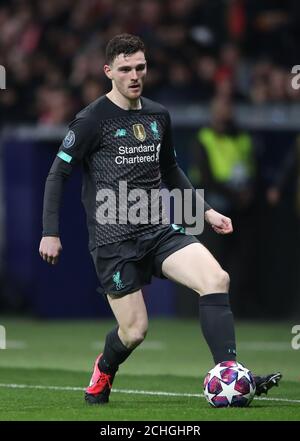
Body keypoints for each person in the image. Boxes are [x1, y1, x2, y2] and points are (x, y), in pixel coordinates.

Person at [39, 34, 281, 405]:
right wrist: (50, 232)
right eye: (125, 69)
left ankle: (229, 374)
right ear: (109, 72)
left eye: (140, 67)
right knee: (135, 331)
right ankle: (104, 367)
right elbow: (58, 174)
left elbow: (170, 169)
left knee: (216, 279)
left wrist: (206, 212)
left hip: (157, 230)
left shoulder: (157, 115)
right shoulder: (91, 121)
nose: (134, 75)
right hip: (113, 239)